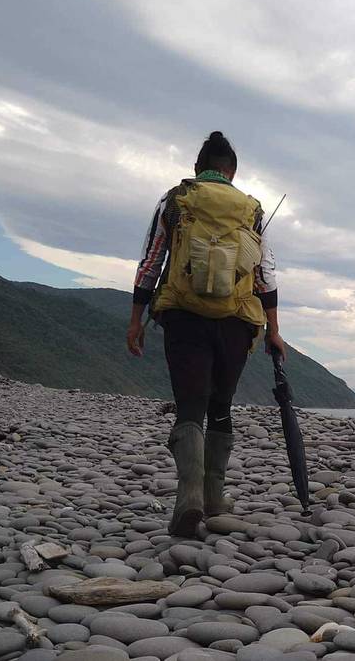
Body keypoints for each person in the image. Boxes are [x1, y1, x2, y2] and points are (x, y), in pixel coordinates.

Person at [127, 131, 286, 536]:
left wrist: (136, 319)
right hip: (237, 320)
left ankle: (189, 498)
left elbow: (152, 260)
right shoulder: (251, 209)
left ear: (198, 168)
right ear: (232, 172)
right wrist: (274, 330)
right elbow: (264, 273)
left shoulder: (176, 199)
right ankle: (214, 498)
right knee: (221, 405)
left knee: (189, 405)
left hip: (183, 315)